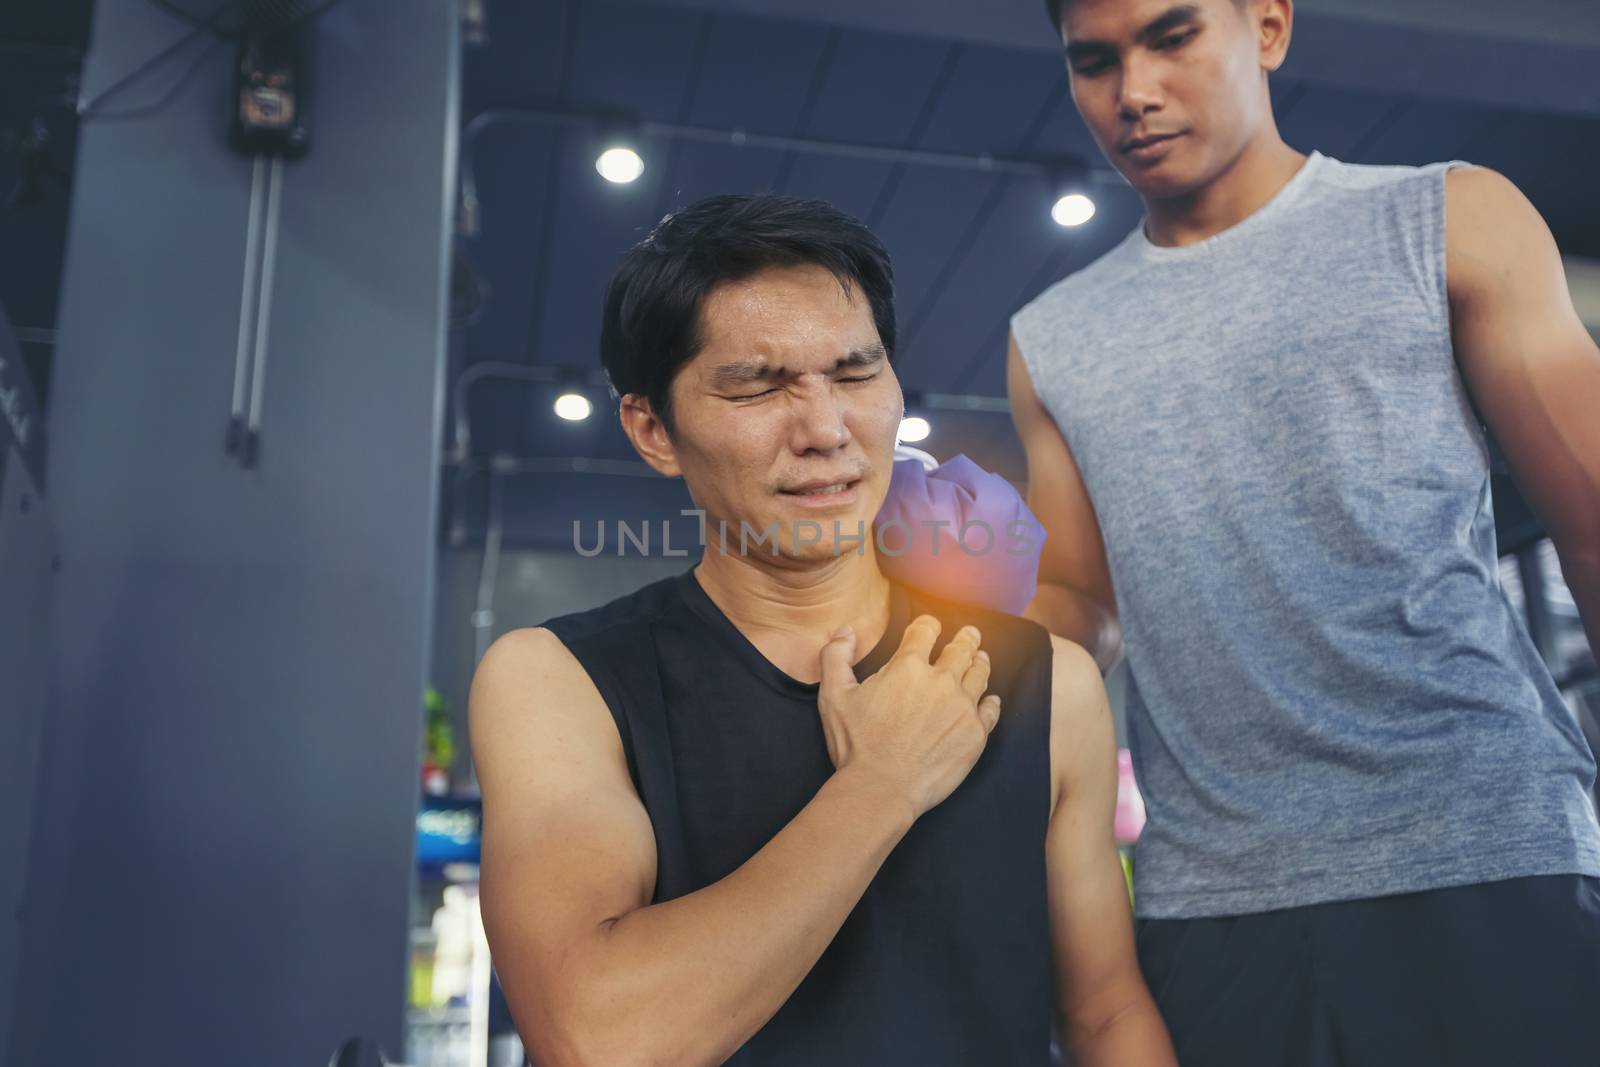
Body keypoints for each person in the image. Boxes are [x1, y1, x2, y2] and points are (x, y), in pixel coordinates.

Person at [988, 0, 1600, 1061]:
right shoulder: (1050, 339)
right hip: (1217, 893)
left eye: (1170, 37)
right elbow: (1080, 605)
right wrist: (940, 659)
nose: (1130, 92)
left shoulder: (1447, 217)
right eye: (1094, 62)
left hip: (1484, 846)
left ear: (1266, 26)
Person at [468, 194, 1177, 1066]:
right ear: (654, 428)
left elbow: (1105, 1013)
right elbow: (598, 1037)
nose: (826, 430)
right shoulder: (562, 681)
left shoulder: (1046, 681)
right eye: (759, 386)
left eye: (853, 374)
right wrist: (881, 784)